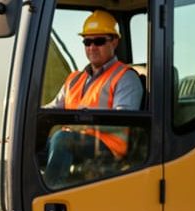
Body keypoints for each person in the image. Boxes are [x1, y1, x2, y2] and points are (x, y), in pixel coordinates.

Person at [43, 9, 144, 186]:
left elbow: (125, 119)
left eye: (99, 41)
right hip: (75, 141)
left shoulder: (126, 77)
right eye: (87, 41)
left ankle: (48, 193)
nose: (92, 47)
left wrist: (84, 121)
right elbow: (52, 108)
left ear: (114, 41)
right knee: (29, 144)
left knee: (61, 139)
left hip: (108, 148)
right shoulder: (74, 78)